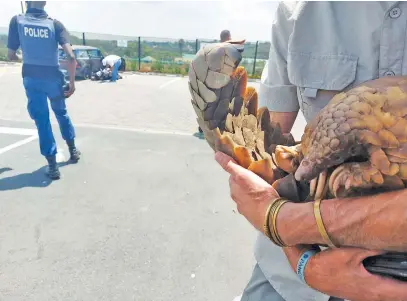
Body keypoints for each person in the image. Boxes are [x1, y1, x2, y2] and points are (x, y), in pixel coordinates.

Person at [216, 2, 407, 301]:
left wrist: (285, 224)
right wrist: (302, 260)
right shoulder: (299, 10)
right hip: (292, 277)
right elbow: (268, 156)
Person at [7, 1, 80, 180]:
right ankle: (73, 150)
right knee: (61, 113)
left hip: (32, 78)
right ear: (45, 2)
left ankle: (53, 166)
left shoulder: (17, 21)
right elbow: (71, 57)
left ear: (26, 2)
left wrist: (24, 57)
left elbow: (10, 55)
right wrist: (72, 83)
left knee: (42, 120)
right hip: (52, 78)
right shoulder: (55, 24)